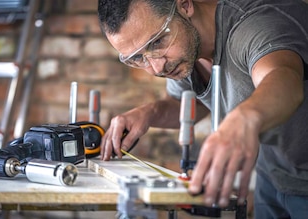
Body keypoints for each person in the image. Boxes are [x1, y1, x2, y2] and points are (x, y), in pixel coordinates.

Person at [96, 0, 308, 217]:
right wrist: (149, 113)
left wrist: (246, 118)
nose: (156, 68)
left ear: (185, 5)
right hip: (273, 174)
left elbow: (285, 79)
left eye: (158, 41)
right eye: (138, 58)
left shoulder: (254, 26)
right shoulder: (185, 51)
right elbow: (192, 104)